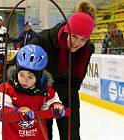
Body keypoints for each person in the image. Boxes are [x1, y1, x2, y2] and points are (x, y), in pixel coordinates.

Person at [29, 1, 95, 140]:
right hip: (41, 95)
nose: (77, 43)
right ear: (66, 30)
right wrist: (3, 86)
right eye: (74, 36)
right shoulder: (43, 40)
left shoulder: (87, 49)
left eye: (83, 39)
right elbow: (18, 64)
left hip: (68, 95)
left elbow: (77, 80)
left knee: (71, 135)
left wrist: (58, 98)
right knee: (44, 136)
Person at [0, 44, 66, 140]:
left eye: (30, 77)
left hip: (38, 136)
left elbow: (52, 102)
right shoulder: (6, 89)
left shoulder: (45, 90)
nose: (24, 80)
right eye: (21, 74)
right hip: (12, 137)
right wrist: (18, 112)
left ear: (39, 76)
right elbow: (0, 112)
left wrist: (56, 106)